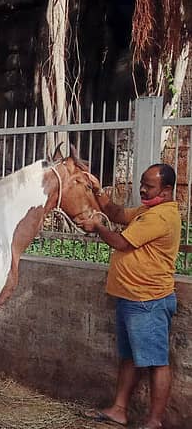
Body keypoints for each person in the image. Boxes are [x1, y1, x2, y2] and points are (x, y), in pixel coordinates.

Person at [78, 163, 180, 429]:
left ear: (167, 189)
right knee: (129, 356)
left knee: (156, 362)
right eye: (142, 184)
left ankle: (155, 421)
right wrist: (99, 190)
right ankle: (119, 409)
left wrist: (97, 227)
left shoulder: (161, 217)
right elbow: (117, 213)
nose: (143, 190)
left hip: (147, 300)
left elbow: (121, 242)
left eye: (150, 186)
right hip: (131, 298)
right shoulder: (148, 211)